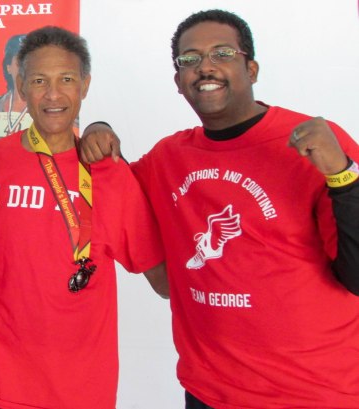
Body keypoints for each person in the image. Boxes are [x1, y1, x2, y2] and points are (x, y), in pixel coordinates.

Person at [81, 9, 359, 408]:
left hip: (312, 393)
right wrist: (99, 129)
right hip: (209, 391)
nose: (205, 66)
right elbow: (117, 194)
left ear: (252, 68)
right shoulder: (169, 157)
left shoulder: (315, 142)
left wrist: (344, 175)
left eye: (222, 53)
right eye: (190, 59)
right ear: (178, 82)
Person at [0, 26, 166, 409]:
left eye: (66, 79)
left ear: (85, 85)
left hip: (79, 390)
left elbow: (163, 280)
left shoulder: (109, 172)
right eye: (39, 80)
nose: (53, 94)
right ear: (21, 87)